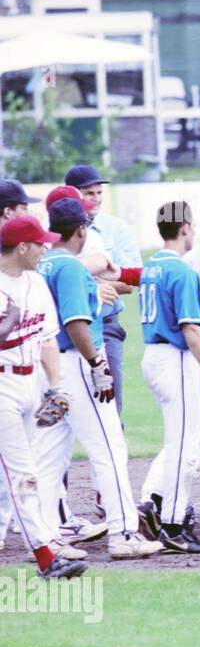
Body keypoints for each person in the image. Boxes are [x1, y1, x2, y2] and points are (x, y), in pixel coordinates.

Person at [33, 199, 160, 560]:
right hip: (75, 363)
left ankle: (45, 537)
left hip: (49, 365)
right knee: (109, 448)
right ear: (83, 230)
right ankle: (124, 533)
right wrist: (97, 365)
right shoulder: (71, 267)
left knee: (49, 455)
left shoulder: (42, 263)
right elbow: (76, 322)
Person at [135, 201, 200, 553]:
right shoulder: (182, 270)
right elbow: (191, 330)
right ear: (185, 227)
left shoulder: (152, 265)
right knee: (185, 442)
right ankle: (171, 522)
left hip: (155, 356)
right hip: (173, 359)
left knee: (198, 437)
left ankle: (155, 504)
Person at [0, 214, 88, 578]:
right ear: (21, 247)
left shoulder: (36, 282)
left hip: (31, 384)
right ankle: (45, 557)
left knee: (8, 481)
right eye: (38, 244)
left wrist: (57, 385)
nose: (44, 248)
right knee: (23, 475)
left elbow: (47, 339)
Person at [65, 164, 141, 416]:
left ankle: (114, 450)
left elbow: (132, 281)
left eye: (98, 193)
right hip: (62, 328)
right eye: (89, 193)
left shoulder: (116, 228)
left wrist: (93, 286)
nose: (96, 199)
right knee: (61, 405)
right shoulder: (57, 229)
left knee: (110, 402)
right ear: (73, 195)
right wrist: (92, 287)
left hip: (106, 324)